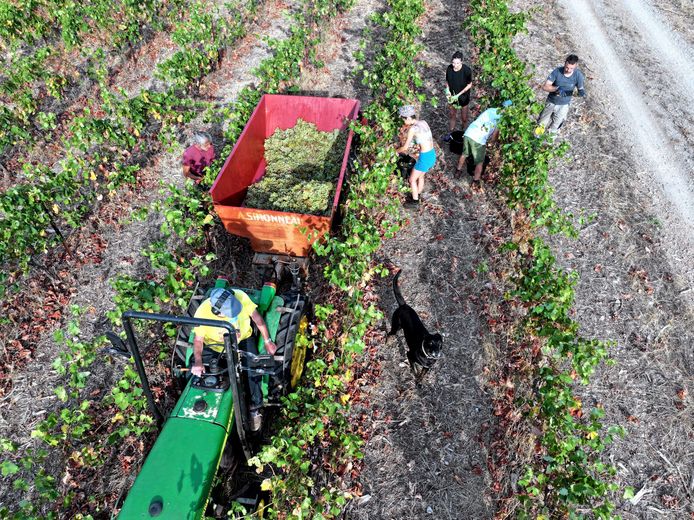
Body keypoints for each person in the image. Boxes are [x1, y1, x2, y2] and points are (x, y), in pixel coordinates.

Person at [191, 287, 277, 430]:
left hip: (243, 339)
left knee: (254, 371)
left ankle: (255, 407)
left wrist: (267, 341)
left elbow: (257, 318)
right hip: (216, 347)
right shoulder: (202, 312)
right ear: (216, 312)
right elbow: (198, 340)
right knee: (194, 371)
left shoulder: (240, 297)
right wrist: (198, 362)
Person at [456, 100, 513, 185]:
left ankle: (457, 171)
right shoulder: (501, 119)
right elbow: (494, 136)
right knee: (479, 162)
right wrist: (492, 142)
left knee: (465, 154)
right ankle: (475, 181)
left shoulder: (491, 110)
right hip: (479, 139)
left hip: (470, 132)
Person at [395, 105, 436, 206]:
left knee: (412, 179)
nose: (403, 122)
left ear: (408, 118)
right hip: (432, 155)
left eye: (403, 119)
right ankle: (417, 194)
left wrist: (395, 151)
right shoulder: (423, 122)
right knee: (421, 176)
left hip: (424, 158)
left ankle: (415, 202)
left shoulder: (413, 129)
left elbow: (404, 148)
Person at [537, 54, 586, 133]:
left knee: (556, 126)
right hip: (551, 102)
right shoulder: (557, 72)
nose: (568, 70)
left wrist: (581, 92)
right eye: (567, 67)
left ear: (576, 66)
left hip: (564, 105)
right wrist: (556, 89)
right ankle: (536, 139)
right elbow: (545, 87)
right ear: (565, 63)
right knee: (541, 124)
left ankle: (548, 143)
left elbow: (580, 89)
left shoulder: (578, 75)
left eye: (571, 68)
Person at [443, 51, 473, 141]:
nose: (454, 65)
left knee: (464, 118)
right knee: (452, 115)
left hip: (463, 97)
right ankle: (450, 134)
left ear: (461, 62)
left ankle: (464, 134)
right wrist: (447, 91)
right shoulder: (449, 68)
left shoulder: (467, 71)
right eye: (453, 62)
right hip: (452, 96)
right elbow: (447, 81)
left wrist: (459, 95)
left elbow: (469, 84)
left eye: (457, 63)